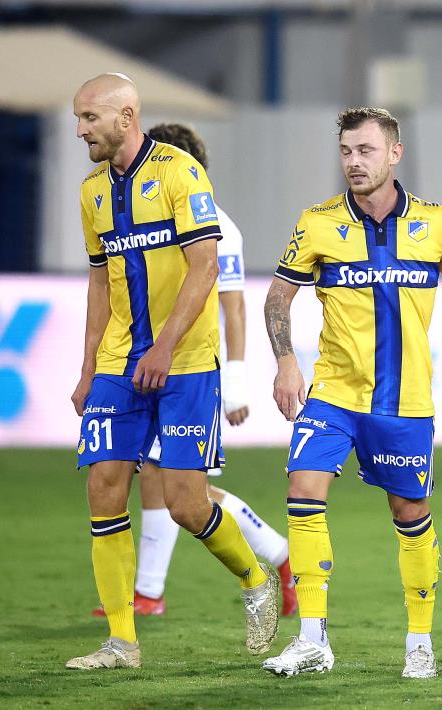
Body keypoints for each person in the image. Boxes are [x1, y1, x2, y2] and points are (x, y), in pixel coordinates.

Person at [260, 107, 442, 679]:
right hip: (334, 394)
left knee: (410, 513)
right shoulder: (317, 223)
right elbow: (278, 295)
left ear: (395, 153)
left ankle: (419, 642)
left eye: (366, 150)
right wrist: (286, 361)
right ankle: (313, 639)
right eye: (346, 151)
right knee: (303, 490)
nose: (354, 162)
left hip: (404, 402)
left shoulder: (434, 223)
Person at [67, 74, 279, 670]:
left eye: (89, 117)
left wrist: (163, 347)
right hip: (119, 362)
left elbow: (206, 266)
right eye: (78, 118)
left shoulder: (180, 173)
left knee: (185, 504)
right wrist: (88, 367)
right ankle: (122, 642)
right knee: (104, 485)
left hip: (184, 362)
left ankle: (254, 577)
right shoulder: (91, 192)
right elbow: (100, 284)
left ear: (126, 116)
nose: (80, 129)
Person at [89, 122, 297, 619]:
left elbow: (234, 307)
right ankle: (161, 589)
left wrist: (236, 382)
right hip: (144, 368)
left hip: (192, 372)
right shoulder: (134, 215)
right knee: (166, 483)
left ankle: (162, 588)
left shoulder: (218, 226)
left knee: (178, 488)